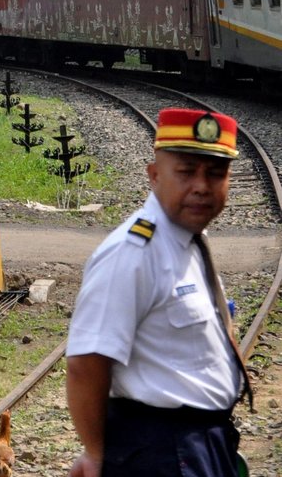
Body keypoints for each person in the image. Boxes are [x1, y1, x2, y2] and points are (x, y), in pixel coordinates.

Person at [66, 107, 251, 477]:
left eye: (215, 174)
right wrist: (95, 453)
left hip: (199, 444)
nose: (201, 185)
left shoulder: (188, 241)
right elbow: (85, 362)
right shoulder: (133, 252)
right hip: (162, 452)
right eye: (186, 172)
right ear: (154, 176)